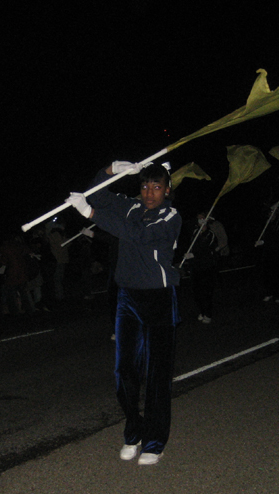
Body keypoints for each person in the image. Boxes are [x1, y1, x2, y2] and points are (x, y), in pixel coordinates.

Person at [65, 161, 181, 466]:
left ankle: (155, 441)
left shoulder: (170, 216)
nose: (149, 193)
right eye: (144, 185)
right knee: (124, 370)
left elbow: (138, 235)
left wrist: (91, 215)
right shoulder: (130, 206)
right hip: (127, 297)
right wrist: (111, 171)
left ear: (167, 190)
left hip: (158, 297)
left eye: (157, 186)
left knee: (157, 374)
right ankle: (134, 432)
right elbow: (98, 195)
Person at [184, 212, 219, 323]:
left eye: (202, 218)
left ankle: (208, 314)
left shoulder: (210, 234)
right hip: (196, 267)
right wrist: (189, 256)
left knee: (206, 291)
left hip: (206, 267)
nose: (200, 220)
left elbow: (208, 250)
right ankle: (202, 311)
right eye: (198, 219)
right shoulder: (195, 232)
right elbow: (191, 245)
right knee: (196, 291)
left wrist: (195, 255)